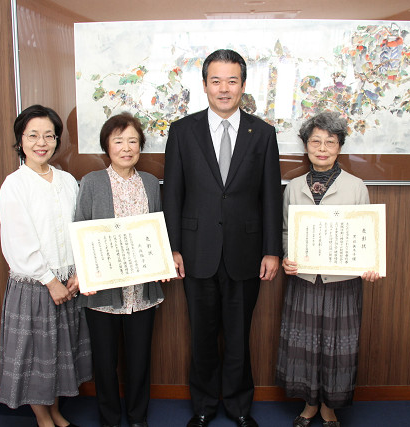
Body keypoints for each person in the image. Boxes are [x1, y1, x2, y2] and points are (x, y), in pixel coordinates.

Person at [163, 49, 283, 427]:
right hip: (196, 252)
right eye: (216, 81)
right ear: (204, 85)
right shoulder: (183, 131)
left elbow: (269, 196)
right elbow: (173, 194)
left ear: (243, 85)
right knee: (202, 336)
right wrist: (173, 248)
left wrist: (271, 251)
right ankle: (202, 406)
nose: (224, 89)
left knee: (238, 336)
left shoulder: (262, 133)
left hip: (246, 252)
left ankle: (239, 406)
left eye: (232, 81)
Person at [276, 112, 381, 427]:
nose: (322, 148)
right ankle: (309, 403)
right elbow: (285, 231)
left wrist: (370, 265)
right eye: (315, 141)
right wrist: (286, 257)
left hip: (342, 281)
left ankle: (329, 408)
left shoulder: (356, 186)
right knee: (306, 344)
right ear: (306, 146)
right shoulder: (294, 186)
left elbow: (367, 234)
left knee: (337, 346)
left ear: (339, 147)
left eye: (330, 142)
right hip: (304, 279)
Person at [0, 104, 92, 427]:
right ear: (20, 139)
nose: (42, 142)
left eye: (49, 136)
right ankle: (43, 418)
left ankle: (55, 411)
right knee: (38, 355)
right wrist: (48, 280)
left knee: (56, 354)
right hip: (36, 285)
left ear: (57, 140)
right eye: (33, 135)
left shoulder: (68, 181)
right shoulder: (15, 184)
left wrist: (79, 271)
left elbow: (80, 228)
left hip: (68, 281)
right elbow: (19, 239)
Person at [74, 112, 164, 427]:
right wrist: (84, 274)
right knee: (105, 361)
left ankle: (138, 417)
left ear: (140, 146)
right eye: (118, 141)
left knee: (139, 361)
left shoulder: (151, 183)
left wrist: (162, 260)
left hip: (142, 291)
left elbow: (158, 231)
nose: (126, 148)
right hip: (102, 288)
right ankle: (110, 418)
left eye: (133, 141)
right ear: (107, 146)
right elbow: (80, 230)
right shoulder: (92, 182)